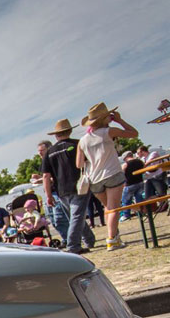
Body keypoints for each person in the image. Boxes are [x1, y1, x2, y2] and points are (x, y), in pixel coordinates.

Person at [77, 103, 138, 251]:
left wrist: (92, 157)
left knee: (108, 208)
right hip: (111, 173)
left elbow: (79, 164)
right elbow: (133, 133)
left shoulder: (83, 141)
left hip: (94, 178)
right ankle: (111, 240)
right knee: (113, 208)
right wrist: (120, 121)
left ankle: (115, 237)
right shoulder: (109, 132)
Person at [41, 117, 97, 254]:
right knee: (77, 216)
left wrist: (48, 195)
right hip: (79, 185)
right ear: (70, 131)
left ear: (55, 135)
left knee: (75, 217)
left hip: (61, 190)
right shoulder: (78, 144)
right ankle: (73, 246)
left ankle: (89, 239)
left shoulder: (49, 152)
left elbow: (45, 176)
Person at [119, 150, 146, 221]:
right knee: (139, 199)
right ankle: (141, 212)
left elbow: (121, 175)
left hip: (129, 185)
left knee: (126, 201)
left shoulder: (125, 165)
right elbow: (144, 170)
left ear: (125, 158)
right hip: (140, 182)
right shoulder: (140, 162)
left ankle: (126, 215)